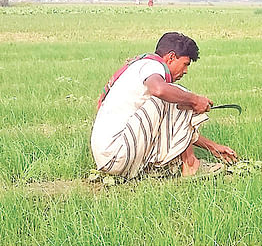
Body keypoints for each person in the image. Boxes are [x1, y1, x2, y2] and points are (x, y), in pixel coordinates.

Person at [91, 32, 237, 179]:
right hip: (117, 153)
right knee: (178, 96)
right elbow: (159, 90)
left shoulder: (141, 66)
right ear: (171, 57)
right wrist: (194, 100)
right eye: (185, 64)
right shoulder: (152, 65)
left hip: (110, 157)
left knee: (175, 96)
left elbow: (177, 127)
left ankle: (171, 165)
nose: (185, 71)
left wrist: (212, 147)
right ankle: (191, 165)